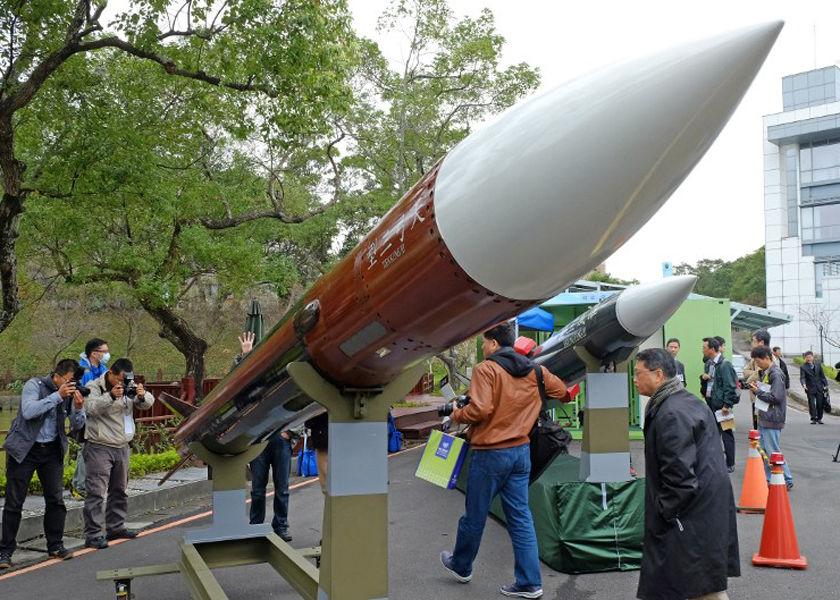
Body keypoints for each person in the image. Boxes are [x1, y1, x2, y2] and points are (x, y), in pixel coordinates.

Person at [440, 321, 567, 599]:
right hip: (521, 452)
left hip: (490, 453)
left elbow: (481, 409)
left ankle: (461, 566)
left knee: (475, 515)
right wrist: (530, 405)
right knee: (521, 518)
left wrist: (455, 415)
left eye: (485, 342)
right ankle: (530, 582)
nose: (483, 346)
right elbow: (563, 393)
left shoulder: (486, 369)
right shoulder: (535, 370)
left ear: (494, 344)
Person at [634, 348, 739, 600]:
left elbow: (680, 478)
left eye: (638, 374)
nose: (634, 380)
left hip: (690, 515)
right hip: (702, 509)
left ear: (658, 375)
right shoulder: (684, 401)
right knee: (696, 585)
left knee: (696, 587)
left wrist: (665, 511)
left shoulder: (671, 412)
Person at [0, 359, 86, 569]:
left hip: (51, 450)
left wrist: (78, 408)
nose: (70, 385)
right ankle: (5, 552)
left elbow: (77, 425)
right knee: (14, 501)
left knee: (56, 500)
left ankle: (55, 545)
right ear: (57, 376)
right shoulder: (34, 385)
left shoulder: (67, 393)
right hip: (25, 450)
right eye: (68, 381)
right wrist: (58, 396)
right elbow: (29, 411)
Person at [82, 358, 155, 549]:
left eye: (127, 380)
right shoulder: (94, 386)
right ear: (112, 374)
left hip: (122, 445)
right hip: (99, 446)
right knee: (96, 492)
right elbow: (89, 408)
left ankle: (116, 527)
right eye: (120, 379)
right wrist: (111, 396)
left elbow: (148, 404)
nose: (123, 384)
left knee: (120, 490)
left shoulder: (128, 385)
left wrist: (141, 395)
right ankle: (93, 534)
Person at [237, 332, 300, 543]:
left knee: (282, 487)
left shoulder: (289, 372)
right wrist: (245, 356)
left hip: (281, 438)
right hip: (259, 438)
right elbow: (239, 382)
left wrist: (290, 432)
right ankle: (256, 526)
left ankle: (281, 525)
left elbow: (299, 401)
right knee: (257, 489)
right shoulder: (256, 377)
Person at [69, 338, 111, 499]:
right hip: (85, 413)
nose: (107, 354)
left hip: (99, 413)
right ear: (94, 353)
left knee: (95, 450)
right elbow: (82, 395)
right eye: (104, 352)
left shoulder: (103, 368)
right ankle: (79, 487)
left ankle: (91, 485)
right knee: (84, 449)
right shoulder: (84, 371)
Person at [750, 345, 793, 490]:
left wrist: (758, 392)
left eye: (758, 361)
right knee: (764, 450)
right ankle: (770, 479)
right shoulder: (765, 372)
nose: (757, 364)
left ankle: (786, 478)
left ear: (767, 358)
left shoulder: (776, 373)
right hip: (765, 416)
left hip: (772, 418)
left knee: (773, 450)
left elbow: (776, 397)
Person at [701, 337, 738, 473]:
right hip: (711, 402)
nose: (702, 350)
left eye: (704, 347)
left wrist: (727, 405)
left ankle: (730, 463)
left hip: (723, 406)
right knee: (712, 434)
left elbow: (730, 386)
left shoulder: (725, 364)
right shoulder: (709, 364)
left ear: (712, 349)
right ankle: (715, 461)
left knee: (727, 433)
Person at [742, 329, 772, 430]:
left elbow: (759, 374)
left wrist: (748, 381)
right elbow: (745, 372)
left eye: (753, 340)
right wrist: (754, 374)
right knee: (756, 427)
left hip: (764, 398)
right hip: (755, 398)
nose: (751, 343)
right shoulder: (754, 358)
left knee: (763, 428)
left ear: (761, 342)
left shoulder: (769, 358)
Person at [800, 350, 828, 425]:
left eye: (810, 357)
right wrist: (803, 384)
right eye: (807, 357)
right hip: (809, 387)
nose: (808, 359)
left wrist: (826, 384)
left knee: (820, 403)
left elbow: (822, 375)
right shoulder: (803, 367)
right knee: (811, 403)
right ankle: (813, 418)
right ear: (805, 358)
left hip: (819, 387)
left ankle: (819, 418)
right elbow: (802, 377)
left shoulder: (818, 364)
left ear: (813, 357)